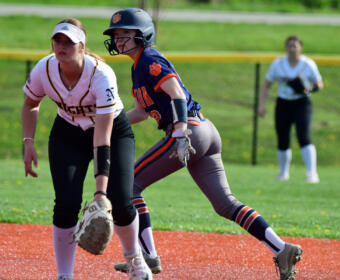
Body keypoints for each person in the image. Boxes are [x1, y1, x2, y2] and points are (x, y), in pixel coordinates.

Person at [103, 8, 303, 280]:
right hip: (204, 131)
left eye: (125, 34)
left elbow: (175, 92)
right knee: (225, 204)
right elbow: (140, 111)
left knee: (130, 185)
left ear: (143, 35)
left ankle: (147, 257)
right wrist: (109, 121)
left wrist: (181, 131)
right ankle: (281, 248)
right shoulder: (137, 66)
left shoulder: (149, 57)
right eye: (116, 35)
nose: (118, 39)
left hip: (189, 132)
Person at [21, 18, 152, 280]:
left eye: (69, 41)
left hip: (112, 133)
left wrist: (100, 193)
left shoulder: (101, 74)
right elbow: (30, 104)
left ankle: (135, 261)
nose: (62, 46)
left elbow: (102, 138)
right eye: (58, 40)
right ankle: (65, 275)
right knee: (66, 203)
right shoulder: (44, 69)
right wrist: (28, 143)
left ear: (82, 46)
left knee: (122, 201)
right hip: (67, 133)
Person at [258, 35, 323, 183]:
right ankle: (283, 173)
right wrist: (262, 105)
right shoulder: (278, 64)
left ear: (301, 48)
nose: (292, 48)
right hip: (283, 103)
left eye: (295, 45)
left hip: (302, 103)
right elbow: (266, 85)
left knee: (303, 136)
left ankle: (312, 173)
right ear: (286, 48)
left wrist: (309, 88)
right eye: (290, 45)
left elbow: (319, 84)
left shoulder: (308, 64)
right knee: (282, 138)